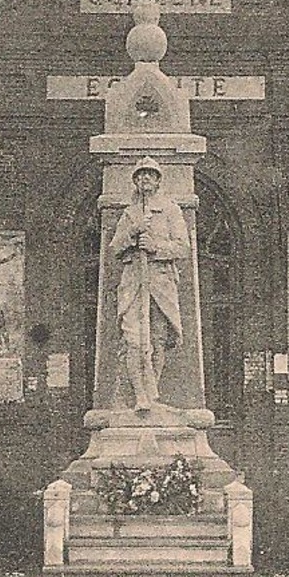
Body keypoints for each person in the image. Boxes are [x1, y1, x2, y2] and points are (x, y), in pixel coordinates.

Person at [110, 157, 190, 411]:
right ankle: (140, 395)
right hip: (134, 281)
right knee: (134, 340)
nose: (144, 179)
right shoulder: (130, 213)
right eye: (140, 175)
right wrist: (133, 232)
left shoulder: (170, 210)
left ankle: (153, 391)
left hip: (161, 282)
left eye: (150, 175)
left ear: (157, 181)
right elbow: (114, 247)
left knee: (157, 339)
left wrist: (156, 247)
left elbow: (183, 247)